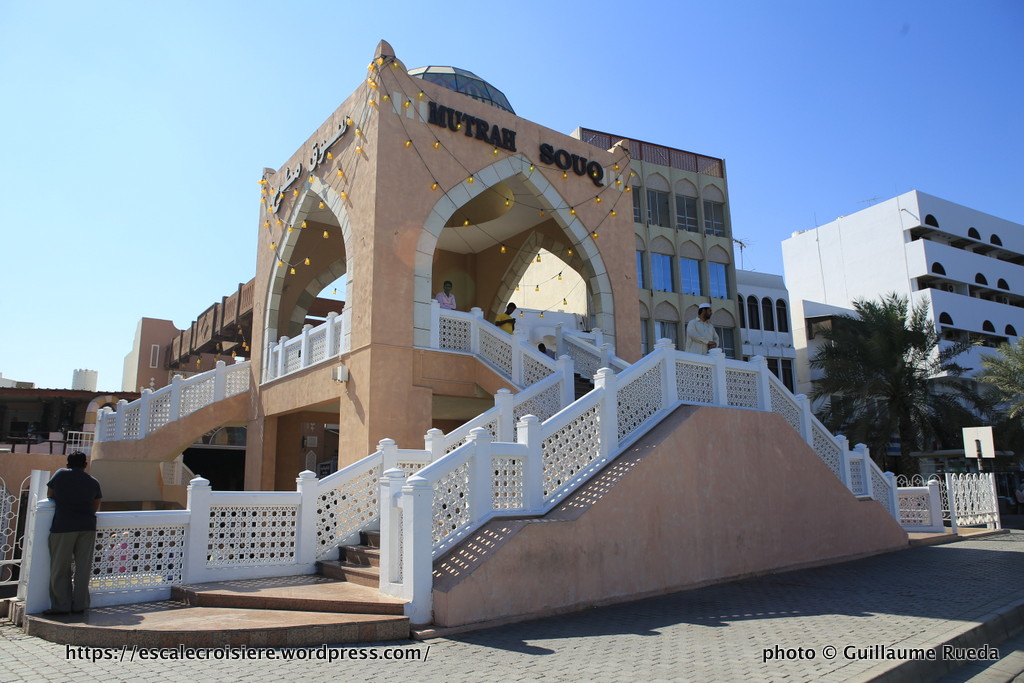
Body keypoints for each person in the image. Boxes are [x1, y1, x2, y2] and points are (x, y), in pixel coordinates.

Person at [46, 451, 102, 615]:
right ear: (85, 465)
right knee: (83, 568)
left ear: (67, 464)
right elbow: (96, 503)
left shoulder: (61, 474)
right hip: (87, 526)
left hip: (64, 525)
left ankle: (61, 605)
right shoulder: (93, 482)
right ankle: (80, 604)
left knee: (60, 567)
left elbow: (50, 494)